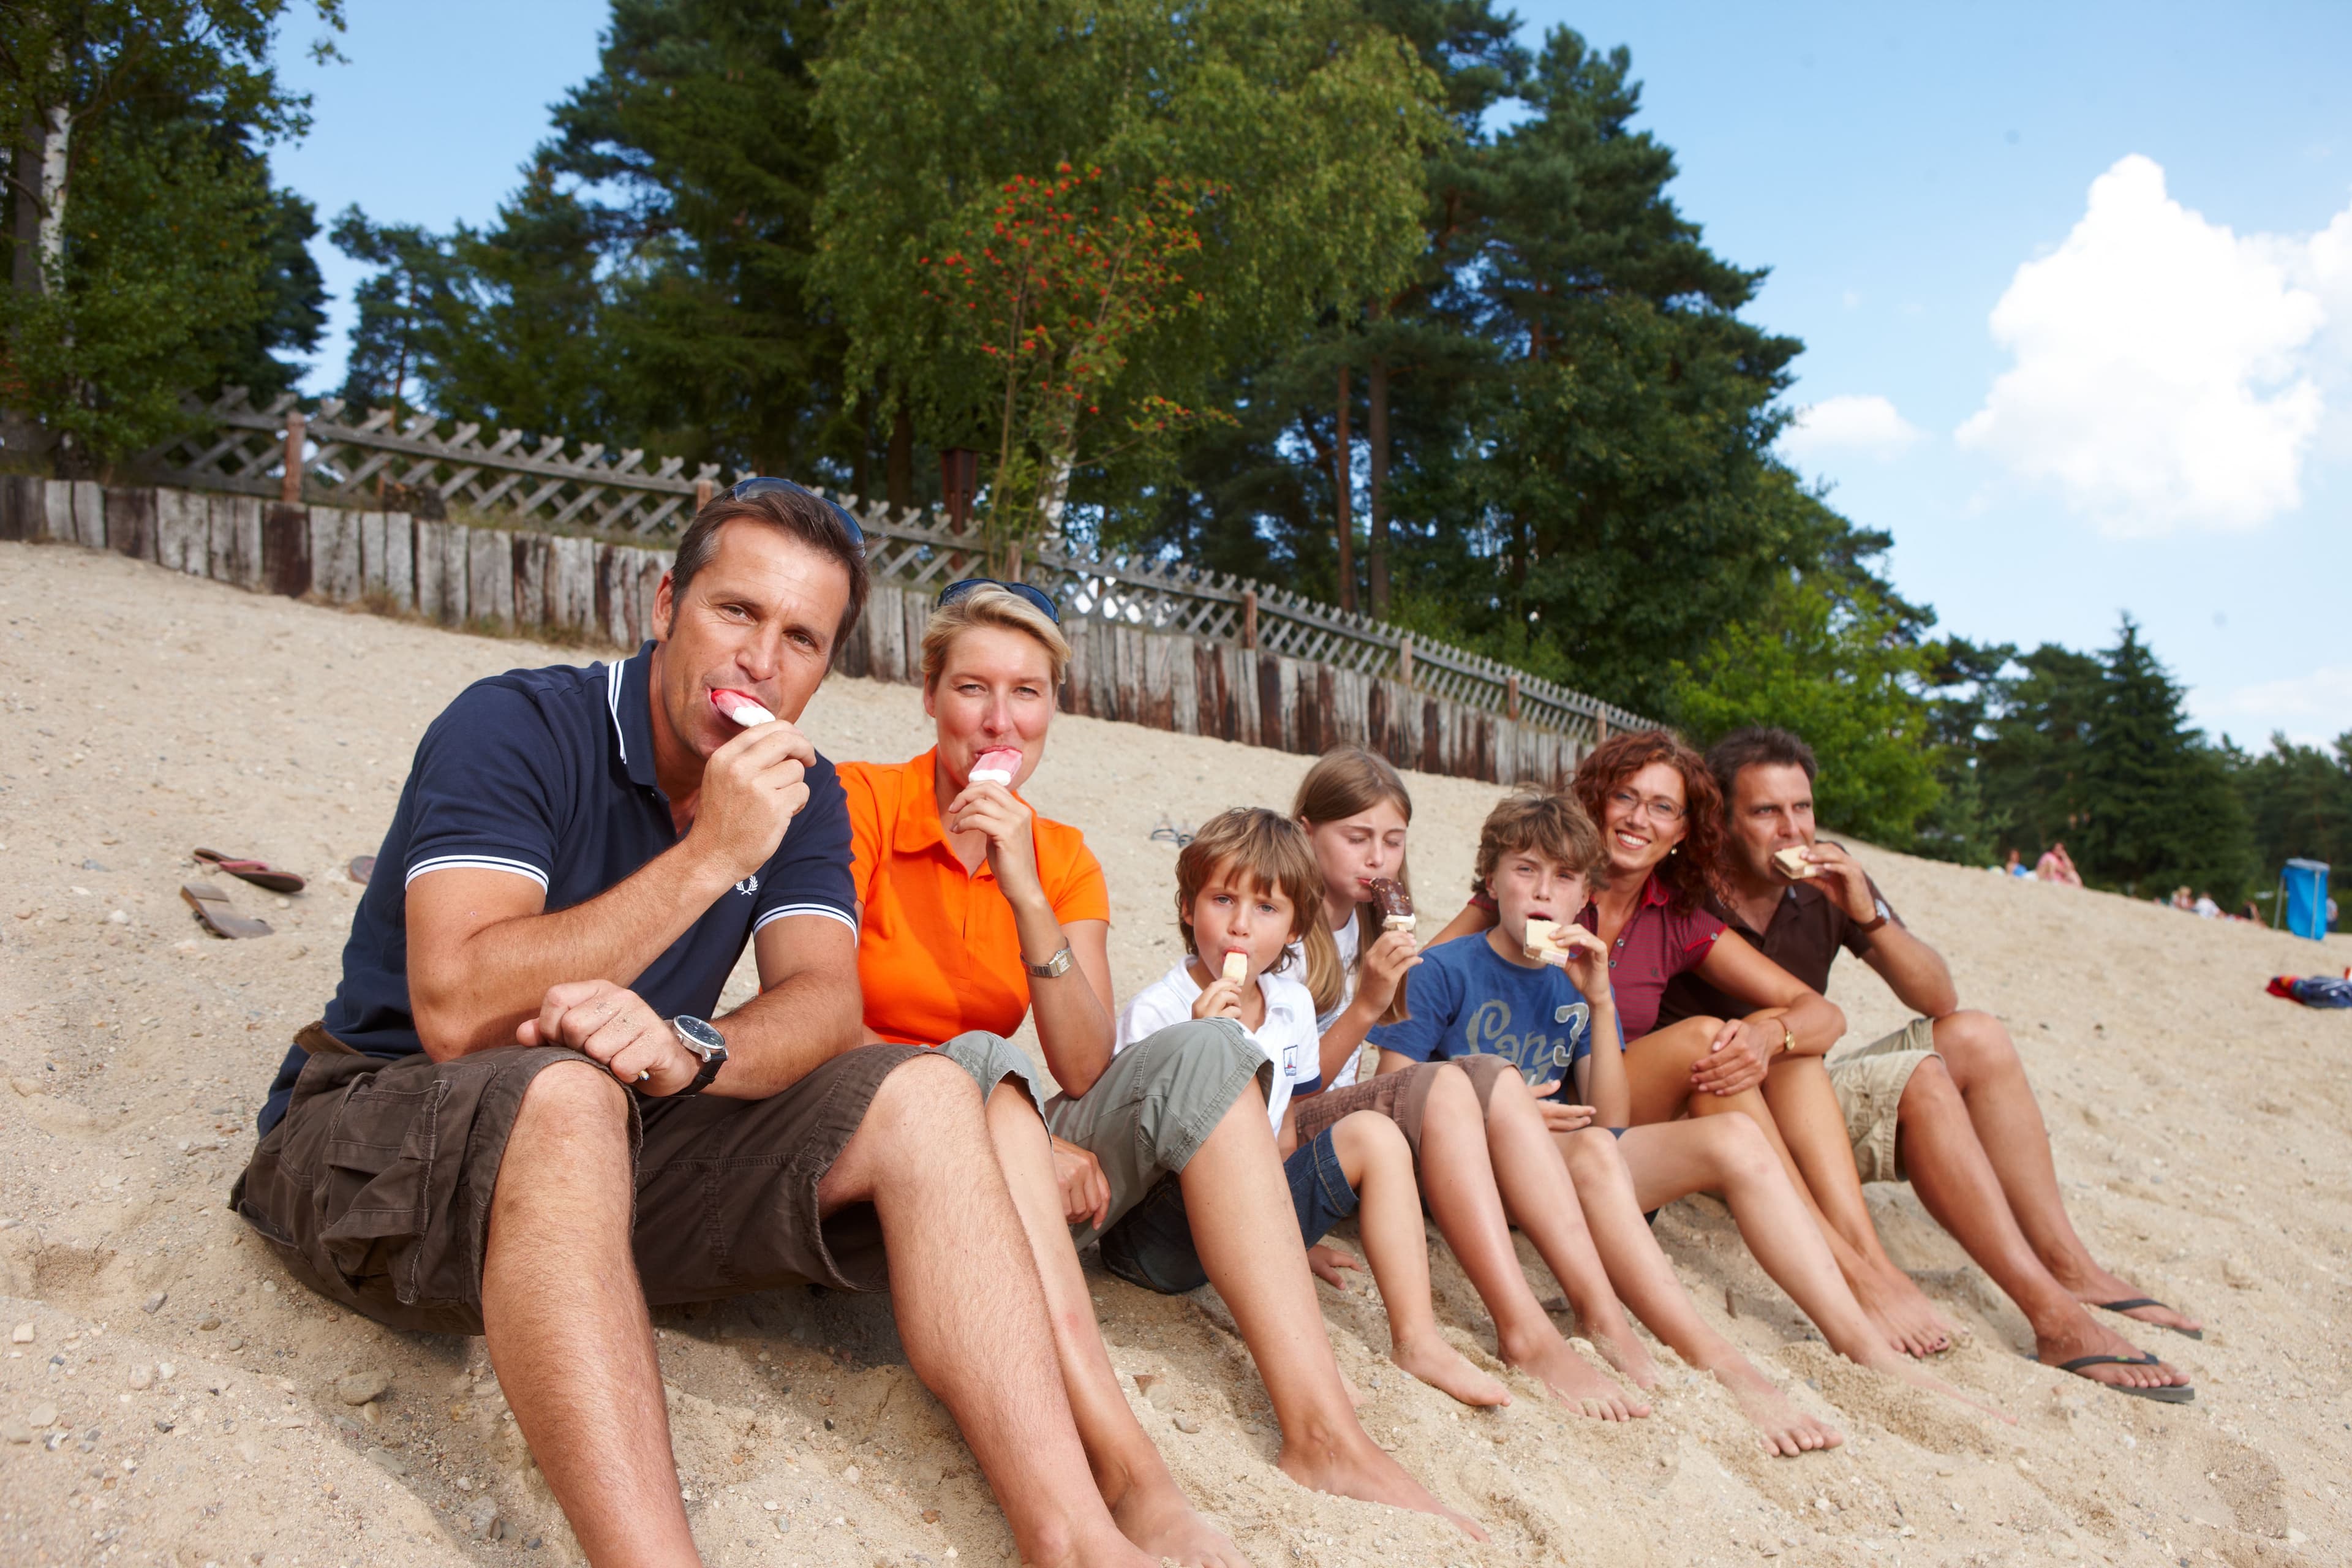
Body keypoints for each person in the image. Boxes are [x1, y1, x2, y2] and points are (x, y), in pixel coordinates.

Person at [233, 484, 1174, 1568]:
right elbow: (456, 1010)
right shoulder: (516, 723)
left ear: (827, 666)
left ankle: (1076, 1536)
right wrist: (713, 855)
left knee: (925, 1088)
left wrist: (696, 1049)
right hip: (374, 1144)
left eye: (803, 637)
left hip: (610, 1151)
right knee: (571, 1089)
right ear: (666, 602)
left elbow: (824, 1003)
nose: (762, 660)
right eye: (737, 612)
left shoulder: (802, 795)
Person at [839, 581, 1472, 1539]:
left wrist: (1026, 896)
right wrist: (1002, 1120)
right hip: (884, 1119)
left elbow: (1088, 1068)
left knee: (1212, 1044)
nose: (1001, 718)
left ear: (1054, 708)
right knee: (974, 1060)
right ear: (929, 694)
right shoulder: (858, 804)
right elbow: (819, 1013)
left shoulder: (1061, 857)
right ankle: (1131, 1475)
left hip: (1023, 1118)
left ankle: (1325, 1434)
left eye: (1029, 692)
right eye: (973, 688)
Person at [1310, 789, 1850, 1454]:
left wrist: (1599, 1001)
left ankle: (1709, 1351)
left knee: (1700, 1138)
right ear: (1493, 879)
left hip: (1554, 1169)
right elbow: (1393, 1094)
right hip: (1456, 1175)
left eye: (1564, 877)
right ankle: (1598, 1322)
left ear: (1583, 899)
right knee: (1535, 1111)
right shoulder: (1443, 969)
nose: (1542, 891)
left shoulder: (1579, 981)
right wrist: (1502, 1112)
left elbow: (1611, 1123)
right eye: (1525, 870)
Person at [1664, 729, 2196, 1400]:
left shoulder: (1828, 878)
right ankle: (2053, 1318)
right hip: (1719, 1102)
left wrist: (1869, 913)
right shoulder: (1686, 883)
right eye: (1766, 812)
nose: (1791, 828)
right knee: (1911, 1072)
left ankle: (2069, 1267)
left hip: (1800, 1090)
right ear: (1723, 818)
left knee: (1974, 1035)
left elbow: (1938, 996)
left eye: (1802, 808)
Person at [1430, 731, 1962, 1362]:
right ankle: (1853, 1271)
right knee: (1710, 1040)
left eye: (1662, 807)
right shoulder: (1545, 884)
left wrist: (1770, 1034)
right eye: (1624, 797)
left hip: (1606, 1117)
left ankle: (1858, 1265)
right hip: (1507, 1114)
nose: (1638, 818)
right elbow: (1424, 982)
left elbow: (1822, 1013)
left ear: (1683, 829)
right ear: (1596, 802)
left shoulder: (1676, 915)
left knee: (1768, 1042)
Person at [1109, 807, 1645, 1414]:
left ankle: (1417, 1339)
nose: (1239, 927)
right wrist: (1200, 1049)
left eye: (1266, 909)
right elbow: (1135, 1158)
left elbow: (1288, 1122)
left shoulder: (1286, 1001)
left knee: (1376, 1135)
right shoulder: (1158, 1011)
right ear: (1187, 908)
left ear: (1293, 930)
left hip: (1252, 1217)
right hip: (1159, 1236)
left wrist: (1296, 1228)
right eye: (1222, 900)